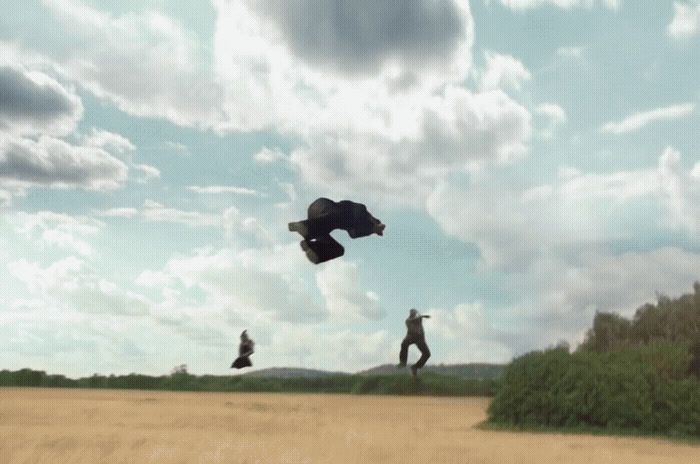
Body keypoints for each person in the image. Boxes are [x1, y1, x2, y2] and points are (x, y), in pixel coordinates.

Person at [288, 198, 385, 264]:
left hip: (318, 221)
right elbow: (363, 220)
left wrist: (373, 230)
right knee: (335, 216)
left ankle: (312, 248)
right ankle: (301, 226)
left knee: (338, 250)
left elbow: (354, 234)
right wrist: (374, 226)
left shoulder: (354, 227)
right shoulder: (361, 209)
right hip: (321, 206)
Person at [398, 308, 431, 377]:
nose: (412, 315)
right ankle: (403, 362)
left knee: (427, 354)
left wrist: (421, 316)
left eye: (413, 313)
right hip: (411, 336)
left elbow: (418, 320)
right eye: (411, 313)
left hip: (419, 338)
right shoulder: (408, 321)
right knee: (404, 344)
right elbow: (411, 320)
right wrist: (421, 316)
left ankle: (415, 367)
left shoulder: (419, 320)